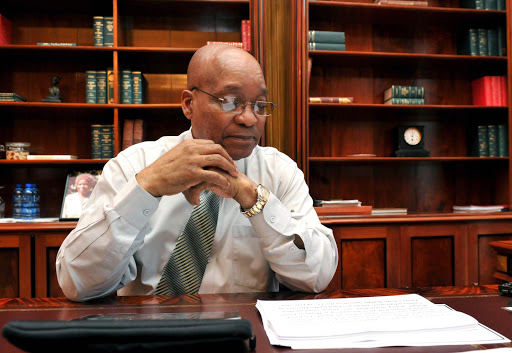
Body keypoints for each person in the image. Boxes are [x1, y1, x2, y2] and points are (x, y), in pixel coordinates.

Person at [56, 44, 338, 302]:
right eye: (230, 101)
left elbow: (316, 277)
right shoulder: (133, 165)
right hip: (146, 331)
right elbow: (78, 283)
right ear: (189, 104)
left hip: (243, 332)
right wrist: (146, 188)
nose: (249, 118)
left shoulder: (279, 172)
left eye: (260, 106)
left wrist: (253, 198)